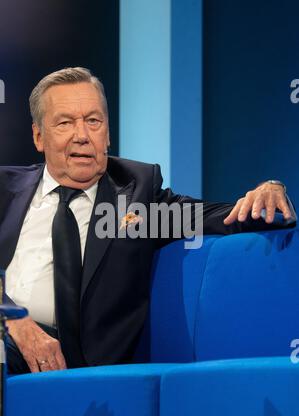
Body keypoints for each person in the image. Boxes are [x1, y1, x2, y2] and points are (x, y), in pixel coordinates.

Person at [0, 67, 296, 375]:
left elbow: (225, 218)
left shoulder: (136, 194)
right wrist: (13, 321)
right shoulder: (5, 190)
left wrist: (271, 194)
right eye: (65, 123)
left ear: (108, 134)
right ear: (39, 136)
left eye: (93, 121)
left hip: (83, 370)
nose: (82, 136)